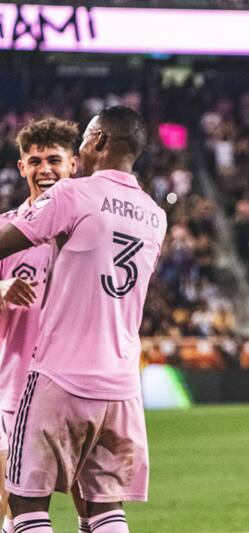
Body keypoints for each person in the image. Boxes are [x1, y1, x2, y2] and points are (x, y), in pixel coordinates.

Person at [0, 106, 167, 533]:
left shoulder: (73, 196)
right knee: (104, 510)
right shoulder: (155, 214)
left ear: (96, 144)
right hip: (121, 386)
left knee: (25, 504)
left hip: (60, 375)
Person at [0, 118, 92, 533]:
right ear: (21, 168)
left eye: (54, 159)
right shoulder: (5, 230)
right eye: (34, 160)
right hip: (13, 390)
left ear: (73, 164)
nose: (45, 169)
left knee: (91, 505)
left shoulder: (92, 229)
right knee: (11, 504)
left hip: (75, 387)